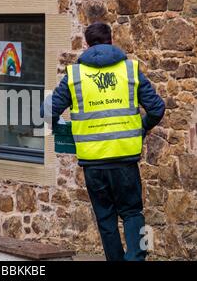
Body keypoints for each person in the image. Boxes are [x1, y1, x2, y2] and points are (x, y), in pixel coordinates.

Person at [41, 22, 165, 261]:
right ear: (111, 40)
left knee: (105, 218)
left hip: (93, 162)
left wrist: (61, 128)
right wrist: (142, 128)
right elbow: (157, 108)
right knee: (132, 213)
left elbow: (47, 112)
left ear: (87, 44)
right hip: (125, 159)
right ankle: (136, 258)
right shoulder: (130, 70)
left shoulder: (75, 76)